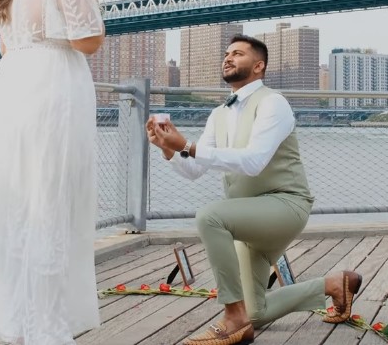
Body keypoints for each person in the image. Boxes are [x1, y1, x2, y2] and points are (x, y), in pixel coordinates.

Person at [147, 35, 361, 345]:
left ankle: (232, 316)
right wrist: (169, 149)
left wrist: (187, 145)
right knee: (257, 313)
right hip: (249, 219)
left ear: (259, 66)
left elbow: (253, 162)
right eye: (226, 53)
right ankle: (332, 285)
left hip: (284, 205)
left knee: (210, 216)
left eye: (238, 53)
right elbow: (193, 170)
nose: (228, 57)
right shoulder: (218, 114)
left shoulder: (273, 103)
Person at [0, 0, 105, 345]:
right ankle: (47, 329)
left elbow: (11, 48)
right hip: (55, 90)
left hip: (17, 91)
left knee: (18, 203)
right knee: (55, 202)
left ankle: (11, 325)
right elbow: (88, 40)